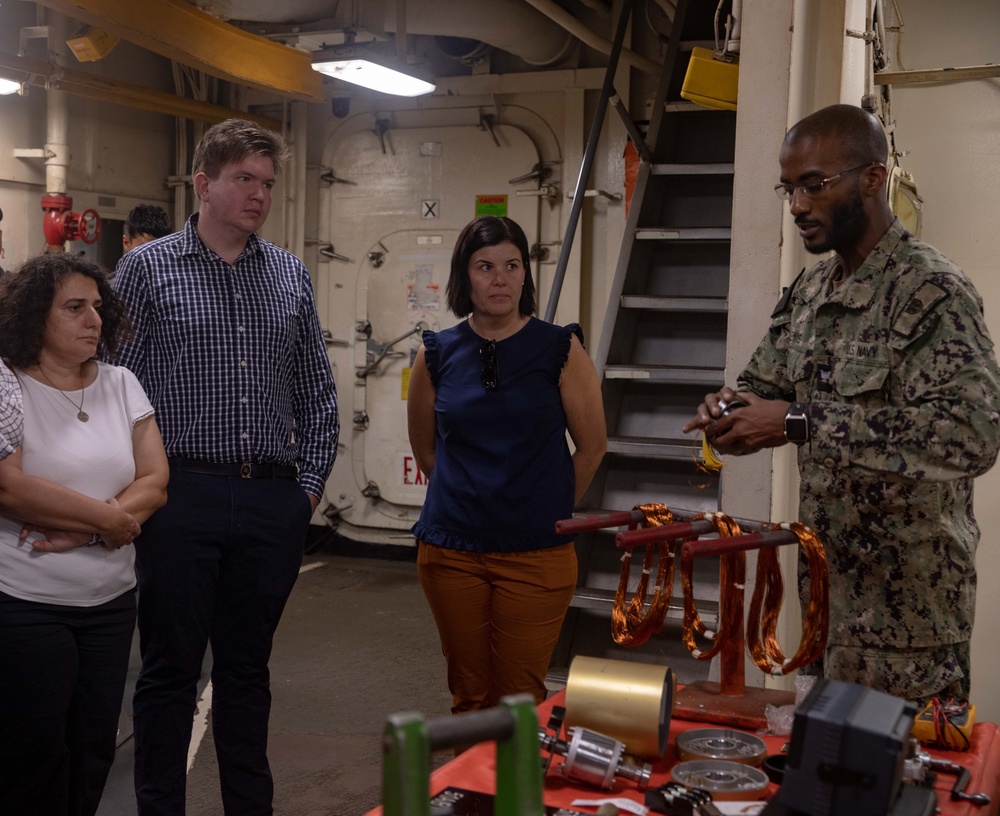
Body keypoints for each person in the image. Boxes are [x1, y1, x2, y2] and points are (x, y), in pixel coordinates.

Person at [683, 104, 1000, 703]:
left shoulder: (932, 294)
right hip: (827, 602)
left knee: (905, 790)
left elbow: (971, 435)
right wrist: (729, 409)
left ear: (873, 180)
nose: (798, 205)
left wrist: (801, 422)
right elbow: (765, 387)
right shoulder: (811, 292)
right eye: (790, 188)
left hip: (909, 623)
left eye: (814, 185)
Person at [112, 118, 340, 815]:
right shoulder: (148, 271)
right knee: (171, 672)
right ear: (204, 184)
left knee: (246, 673)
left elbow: (319, 396)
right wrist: (136, 497)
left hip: (270, 500)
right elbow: (114, 390)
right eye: (245, 179)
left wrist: (303, 494)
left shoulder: (290, 275)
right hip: (180, 497)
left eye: (267, 183)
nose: (260, 195)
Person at [407, 215, 607, 717]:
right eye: (485, 266)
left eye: (512, 265)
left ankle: (514, 797)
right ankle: (472, 796)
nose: (500, 278)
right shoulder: (435, 354)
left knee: (520, 701)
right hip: (452, 550)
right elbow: (427, 452)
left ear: (525, 274)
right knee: (470, 697)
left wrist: (545, 502)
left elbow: (592, 447)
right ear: (464, 276)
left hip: (536, 553)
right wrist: (472, 498)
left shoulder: (560, 348)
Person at [0, 253, 169, 816]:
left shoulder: (121, 383)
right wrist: (111, 521)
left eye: (98, 307)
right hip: (27, 601)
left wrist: (91, 534)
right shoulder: (10, 387)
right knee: (34, 751)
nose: (93, 319)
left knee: (94, 746)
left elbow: (156, 481)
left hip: (110, 601)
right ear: (33, 318)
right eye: (75, 308)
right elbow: (11, 490)